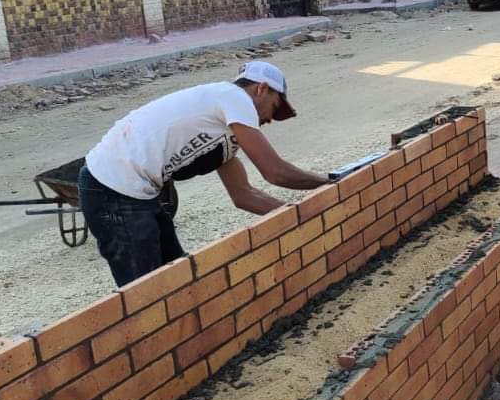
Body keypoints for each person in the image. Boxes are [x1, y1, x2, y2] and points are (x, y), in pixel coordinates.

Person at [79, 62, 334, 286]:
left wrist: (297, 215)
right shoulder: (234, 98)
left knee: (174, 277)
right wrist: (330, 182)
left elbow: (243, 195)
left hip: (135, 190)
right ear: (262, 88)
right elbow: (274, 172)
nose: (270, 119)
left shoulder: (222, 126)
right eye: (275, 107)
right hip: (112, 188)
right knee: (144, 292)